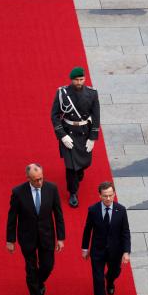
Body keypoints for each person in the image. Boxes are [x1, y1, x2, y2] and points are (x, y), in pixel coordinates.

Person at [6, 163, 65, 295]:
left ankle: (38, 283)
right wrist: (10, 240)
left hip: (47, 236)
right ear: (28, 179)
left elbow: (58, 213)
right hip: (27, 238)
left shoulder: (51, 189)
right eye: (36, 180)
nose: (40, 182)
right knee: (31, 271)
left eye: (41, 178)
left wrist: (60, 238)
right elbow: (12, 217)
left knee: (48, 266)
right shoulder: (18, 192)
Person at [82, 181, 131, 295]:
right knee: (97, 281)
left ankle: (110, 281)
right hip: (98, 251)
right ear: (100, 196)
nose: (108, 199)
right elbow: (87, 230)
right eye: (105, 196)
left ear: (114, 194)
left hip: (115, 251)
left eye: (110, 195)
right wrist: (85, 248)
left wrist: (126, 251)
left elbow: (125, 232)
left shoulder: (121, 210)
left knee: (115, 272)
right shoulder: (93, 210)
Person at [50, 66, 100, 208]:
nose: (79, 82)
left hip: (84, 132)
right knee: (71, 167)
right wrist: (62, 136)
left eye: (81, 79)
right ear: (71, 80)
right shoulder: (62, 93)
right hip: (69, 132)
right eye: (76, 80)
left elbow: (96, 115)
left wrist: (92, 137)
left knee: (85, 163)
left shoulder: (92, 93)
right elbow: (54, 115)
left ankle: (81, 170)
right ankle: (73, 192)